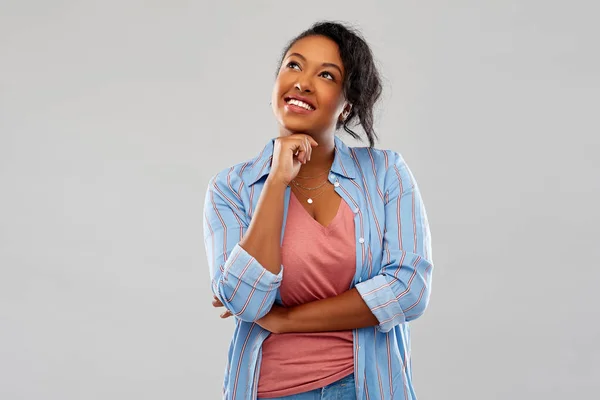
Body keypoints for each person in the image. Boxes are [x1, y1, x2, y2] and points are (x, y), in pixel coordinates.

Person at [203, 20, 434, 400]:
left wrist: (285, 320)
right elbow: (245, 301)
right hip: (272, 390)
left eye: (326, 75)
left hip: (367, 386)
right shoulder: (231, 189)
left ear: (346, 107)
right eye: (294, 65)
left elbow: (409, 289)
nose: (303, 82)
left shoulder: (386, 173)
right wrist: (276, 181)